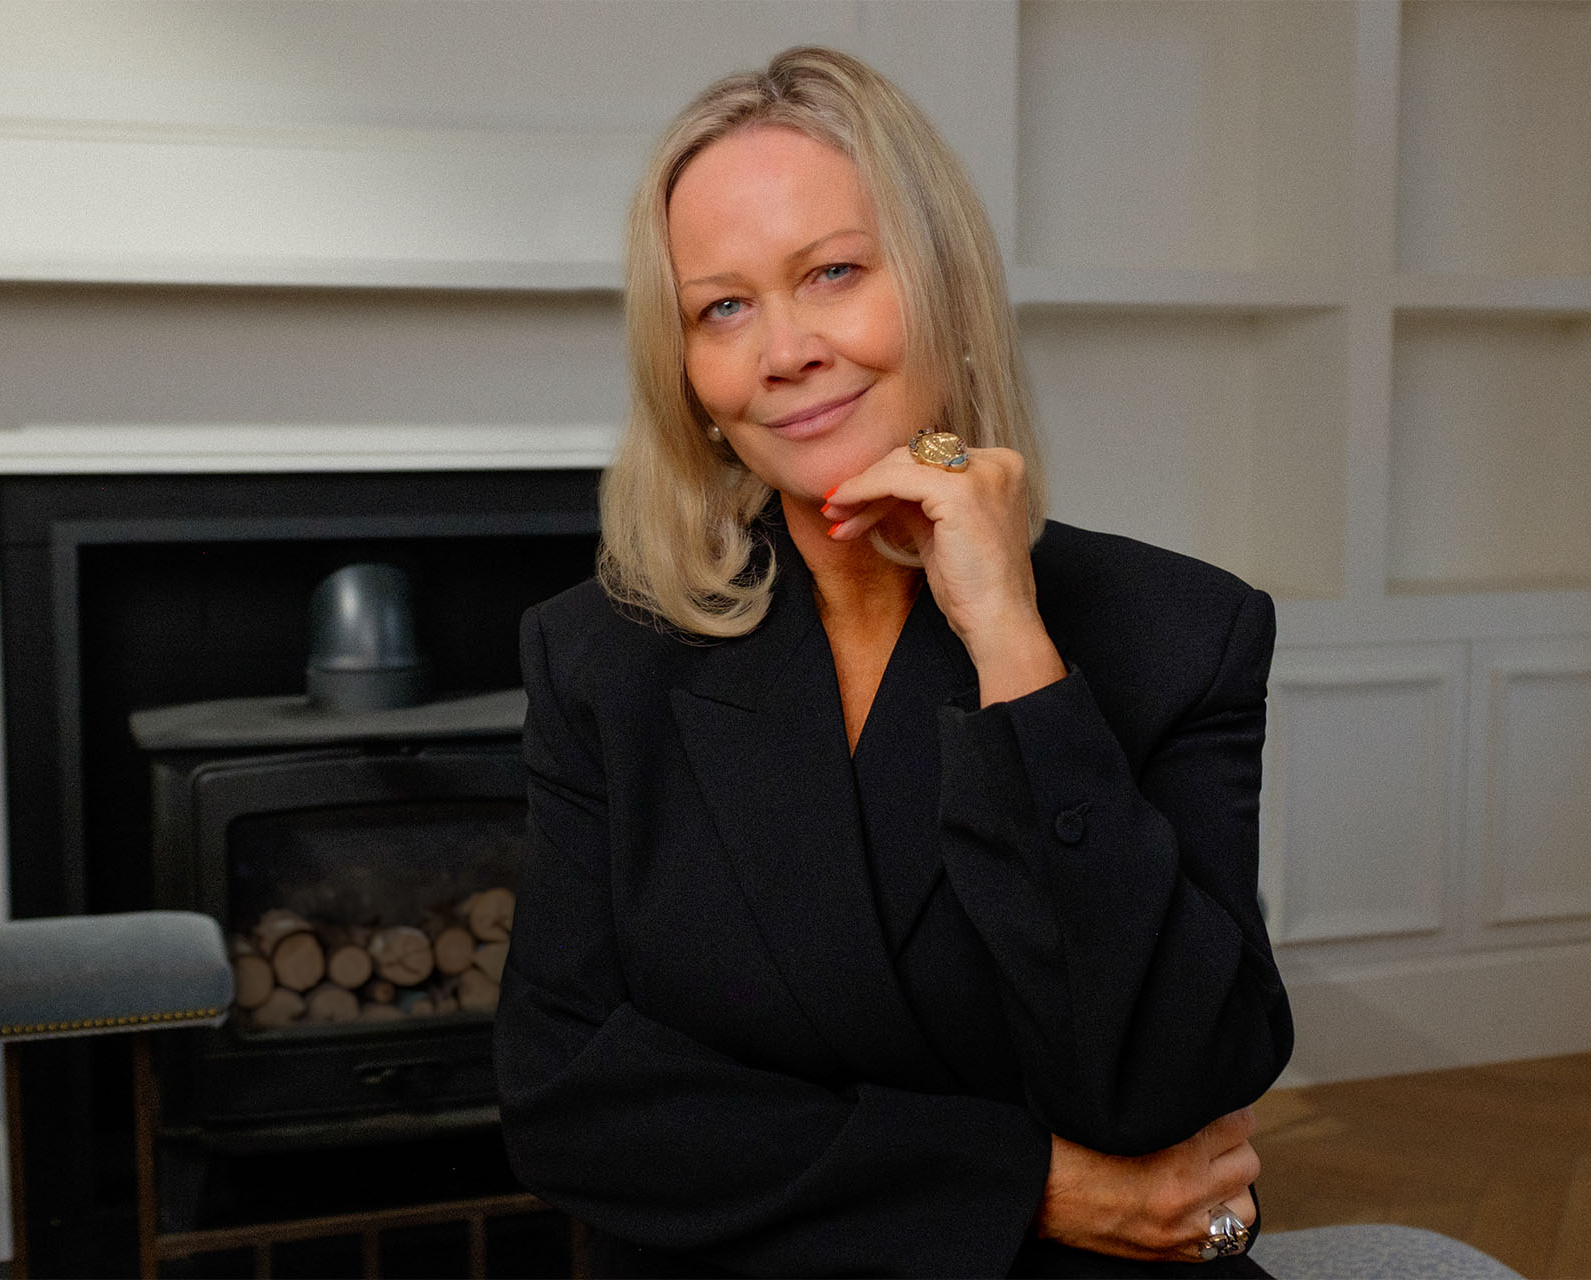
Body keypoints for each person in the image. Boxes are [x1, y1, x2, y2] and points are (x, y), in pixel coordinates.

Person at [495, 46, 1293, 1278]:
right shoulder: (598, 656)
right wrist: (1030, 1185)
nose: (785, 349)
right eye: (722, 307)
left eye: (833, 272)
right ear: (692, 382)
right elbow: (569, 1100)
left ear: (944, 295)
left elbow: (1166, 1084)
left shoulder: (1179, 630)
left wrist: (1012, 644)